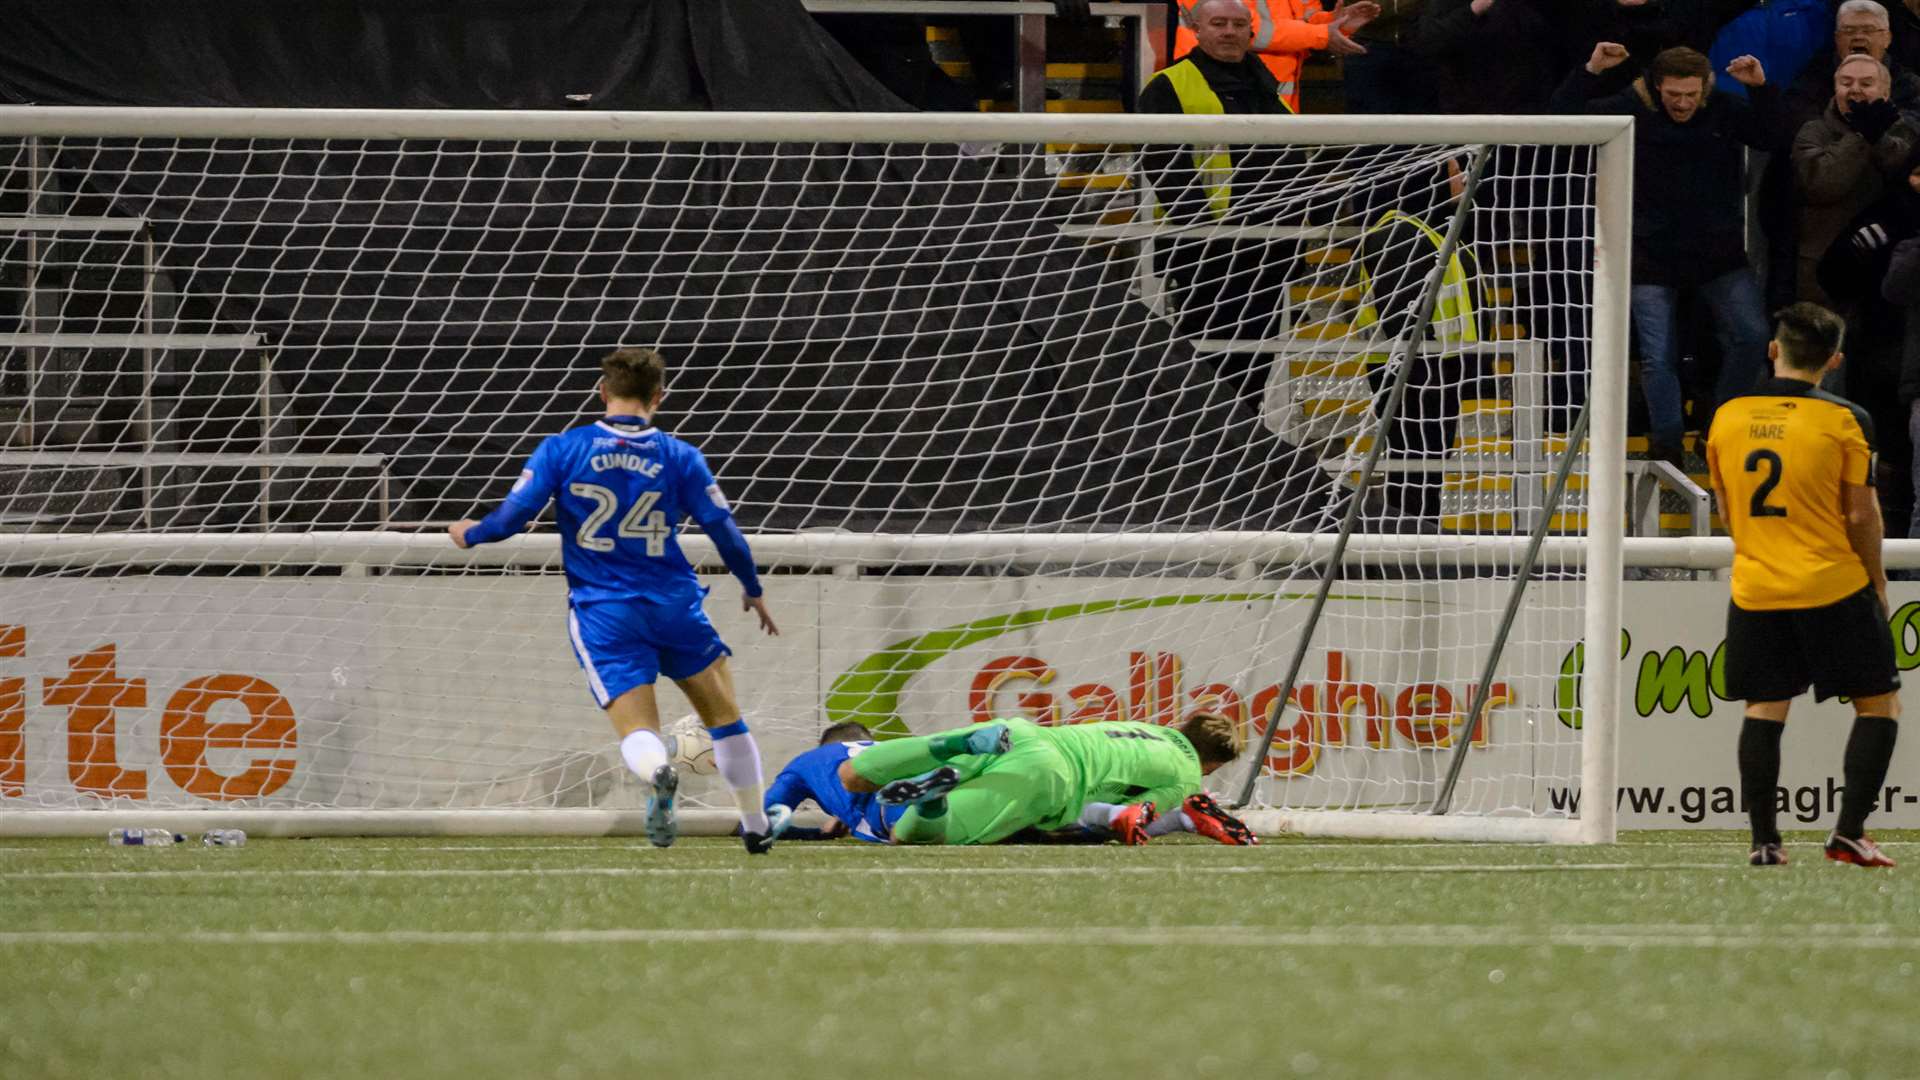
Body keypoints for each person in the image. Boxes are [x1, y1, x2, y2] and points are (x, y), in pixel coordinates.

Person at [449, 347, 782, 854]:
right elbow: (725, 531)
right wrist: (752, 589)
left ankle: (659, 771)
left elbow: (511, 519)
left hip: (605, 611)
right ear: (659, 397)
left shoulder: (563, 449)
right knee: (726, 719)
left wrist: (469, 534)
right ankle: (756, 826)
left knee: (637, 730)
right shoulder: (679, 456)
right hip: (676, 604)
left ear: (602, 392)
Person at [1705, 302, 1902, 868]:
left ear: (1774, 350)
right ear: (1834, 361)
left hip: (1757, 588)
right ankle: (1848, 834)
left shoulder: (1727, 416)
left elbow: (1725, 503)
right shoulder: (1846, 419)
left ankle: (1765, 842)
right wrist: (1877, 581)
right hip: (1831, 584)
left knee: (1765, 708)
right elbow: (1863, 516)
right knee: (1878, 703)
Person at [1553, 44, 1789, 469]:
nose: (1683, 104)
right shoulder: (1629, 106)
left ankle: (1721, 424)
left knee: (1753, 335)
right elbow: (1566, 122)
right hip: (1649, 252)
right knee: (1658, 354)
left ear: (1705, 88)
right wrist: (1589, 70)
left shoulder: (1724, 108)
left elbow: (1771, 135)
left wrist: (1762, 89)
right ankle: (1667, 442)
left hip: (1716, 251)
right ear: (1655, 87)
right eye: (1673, 95)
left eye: (1691, 95)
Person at [763, 720, 1258, 845]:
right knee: (1048, 825)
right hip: (1035, 761)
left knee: (864, 793)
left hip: (1035, 743)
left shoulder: (805, 764)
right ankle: (943, 773)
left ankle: (942, 780)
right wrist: (1160, 820)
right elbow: (1134, 818)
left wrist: (811, 831)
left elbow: (768, 820)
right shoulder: (1182, 769)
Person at [1794, 54, 1920, 306]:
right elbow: (1822, 186)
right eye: (1846, 82)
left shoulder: (1905, 130)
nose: (1855, 90)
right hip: (1824, 266)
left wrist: (1879, 138)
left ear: (1885, 92)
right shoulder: (1813, 132)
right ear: (1835, 88)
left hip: (1888, 267)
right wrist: (1861, 136)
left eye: (1866, 83)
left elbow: (1907, 176)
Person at [1170, 0, 1381, 113]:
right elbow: (1248, 30)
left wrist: (1336, 22)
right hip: (1216, 90)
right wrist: (1323, 34)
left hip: (1272, 101)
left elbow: (1307, 19)